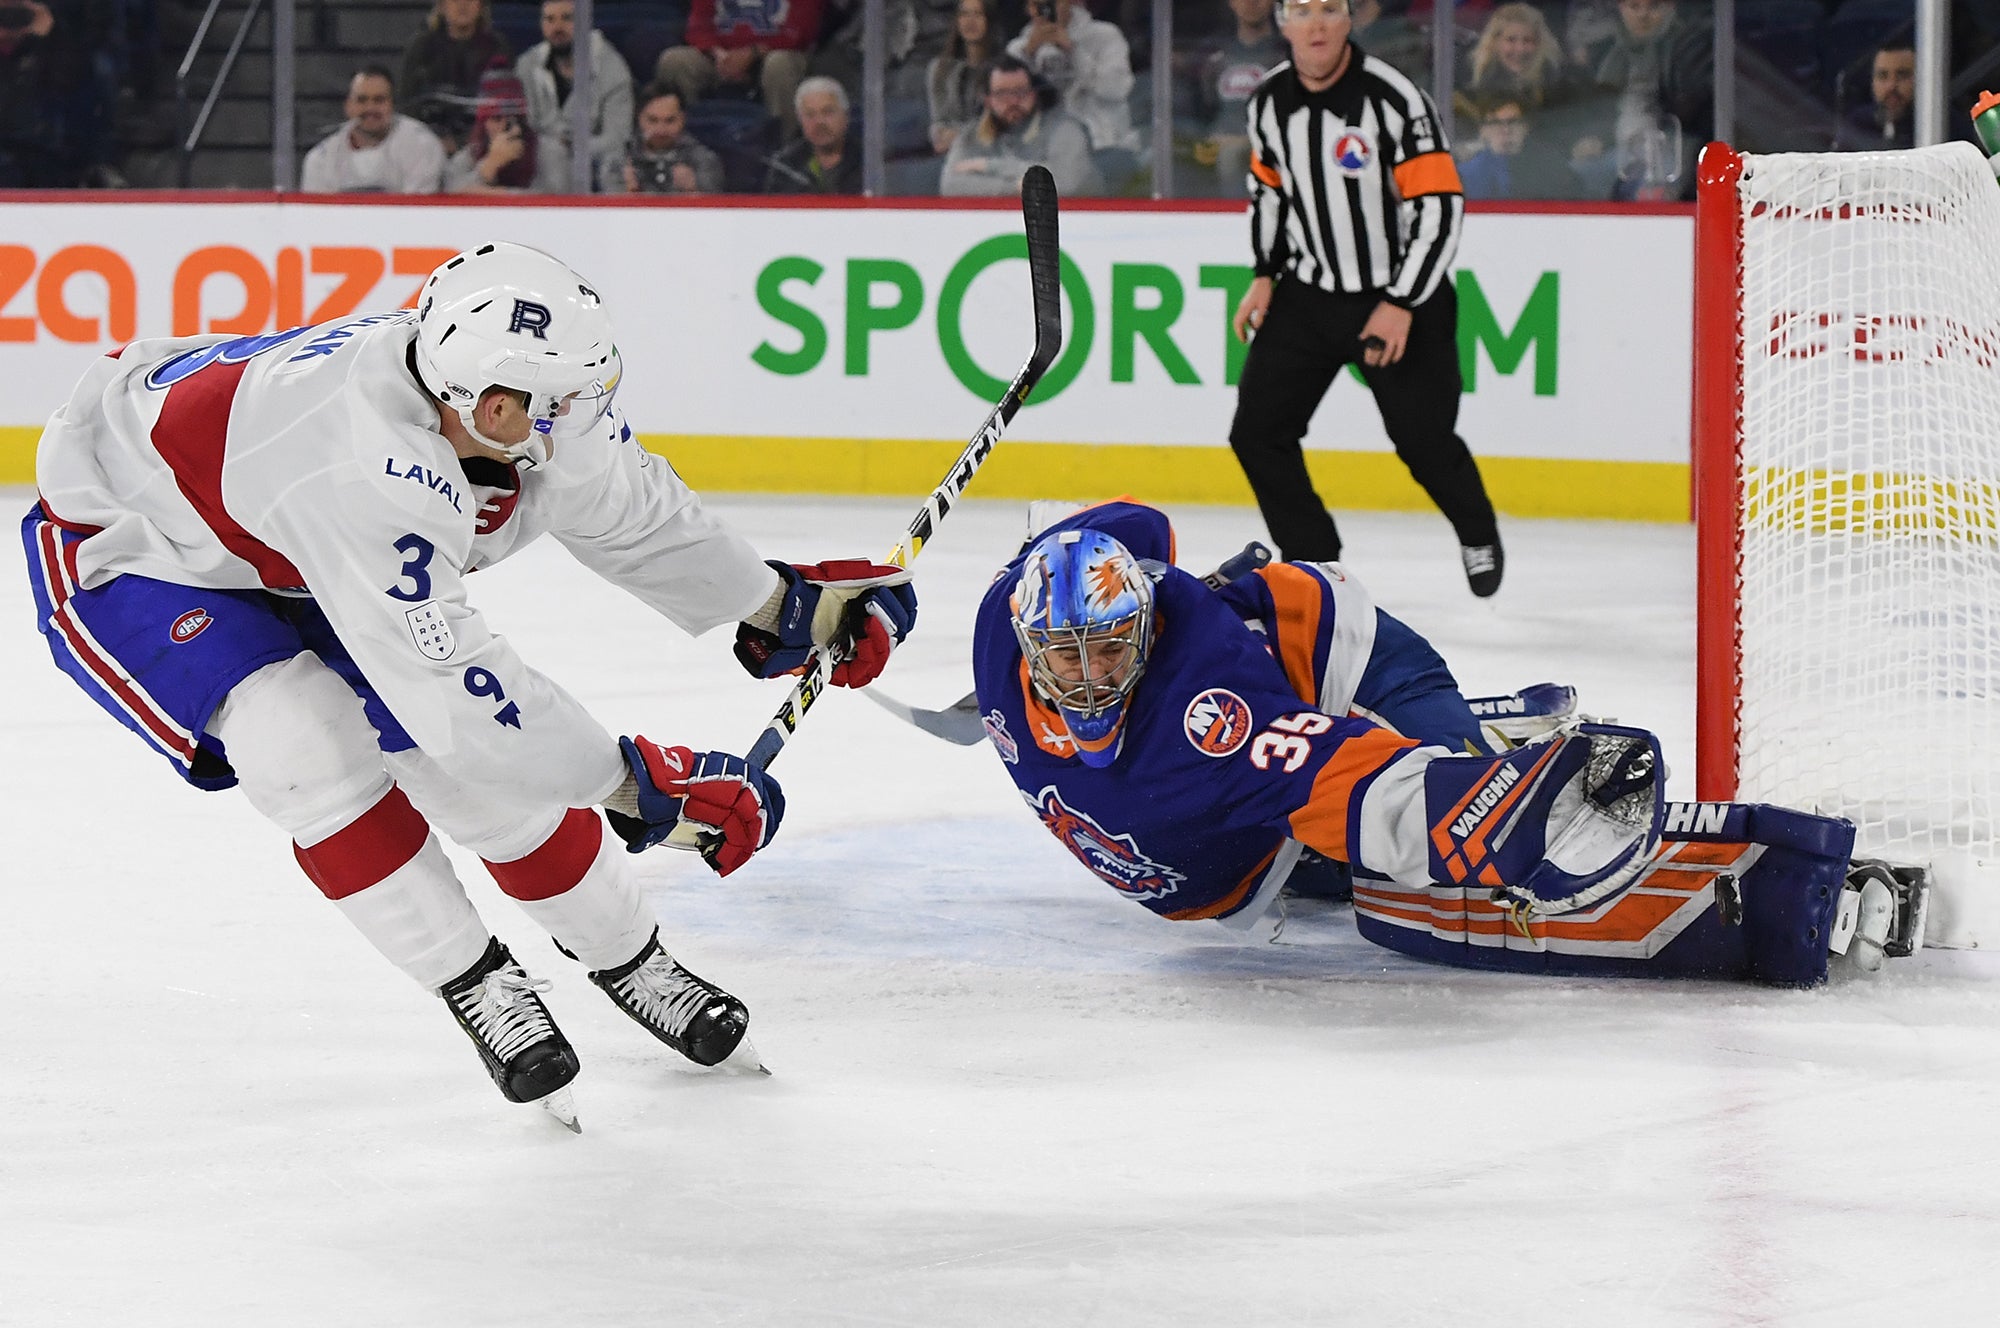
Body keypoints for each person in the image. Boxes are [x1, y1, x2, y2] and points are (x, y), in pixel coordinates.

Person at [22, 242, 919, 1125]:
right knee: (297, 742)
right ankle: (476, 980)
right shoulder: (360, 464)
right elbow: (463, 698)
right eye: (557, 404)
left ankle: (630, 958)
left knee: (472, 772)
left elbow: (633, 513)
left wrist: (777, 605)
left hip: (281, 529)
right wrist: (629, 779)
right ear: (490, 405)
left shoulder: (521, 397)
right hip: (142, 540)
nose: (579, 417)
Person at [968, 501, 1924, 985]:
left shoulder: (1209, 723)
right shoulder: (992, 628)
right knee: (1342, 874)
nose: (1090, 679)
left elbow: (1364, 793)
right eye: (1066, 656)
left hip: (1346, 668)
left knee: (1426, 885)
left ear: (1141, 636)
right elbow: (1141, 526)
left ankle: (1472, 746)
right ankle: (1492, 728)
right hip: (1249, 849)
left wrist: (1492, 820)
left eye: (1109, 651)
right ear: (1022, 646)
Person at [1229, 0, 1504, 597]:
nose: (1318, 23)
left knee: (1424, 442)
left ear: (1351, 18)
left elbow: (1439, 206)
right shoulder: (1270, 102)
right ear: (1283, 23)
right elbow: (1270, 192)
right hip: (1310, 293)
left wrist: (1401, 301)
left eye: (1331, 8)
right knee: (1256, 431)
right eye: (1302, 10)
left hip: (1403, 292)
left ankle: (1476, 528)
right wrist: (1263, 275)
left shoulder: (1393, 98)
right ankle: (1314, 561)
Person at [940, 54, 1103, 197]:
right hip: (998, 222)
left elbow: (1066, 184)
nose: (1013, 101)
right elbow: (950, 185)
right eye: (1002, 94)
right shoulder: (970, 136)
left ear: (1033, 95)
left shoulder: (1065, 129)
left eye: (1020, 92)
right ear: (988, 100)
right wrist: (1014, 189)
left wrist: (988, 166)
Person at [514, 0, 634, 192]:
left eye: (567, 18)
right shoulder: (527, 65)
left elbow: (616, 138)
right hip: (542, 162)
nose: (558, 27)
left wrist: (573, 147)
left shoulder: (613, 69)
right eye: (550, 20)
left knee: (613, 163)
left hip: (595, 162)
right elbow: (526, 126)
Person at [655, 0, 823, 136]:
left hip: (777, 54)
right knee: (674, 60)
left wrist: (753, 53)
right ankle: (688, 140)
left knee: (779, 64)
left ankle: (786, 147)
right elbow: (698, 26)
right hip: (722, 57)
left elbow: (801, 32)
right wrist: (718, 54)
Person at [1004, 0, 1137, 152]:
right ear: (1028, 8)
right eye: (1037, 5)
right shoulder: (1017, 51)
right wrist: (1028, 57)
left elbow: (1116, 89)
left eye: (1051, 3)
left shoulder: (1105, 36)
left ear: (1068, 2)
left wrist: (1074, 52)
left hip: (1104, 147)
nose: (1044, 11)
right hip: (1039, 149)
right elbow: (1008, 107)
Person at [299, 67, 448, 194]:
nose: (370, 108)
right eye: (362, 100)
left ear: (392, 105)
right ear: (348, 106)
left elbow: (418, 215)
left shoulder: (422, 146)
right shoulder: (321, 159)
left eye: (379, 100)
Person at [1191, 0, 1287, 195]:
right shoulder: (1212, 55)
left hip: (1270, 146)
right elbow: (1200, 111)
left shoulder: (1287, 54)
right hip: (1218, 145)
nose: (1251, 2)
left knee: (1232, 155)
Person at [398, 0, 513, 152]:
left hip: (485, 146)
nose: (462, 5)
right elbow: (407, 105)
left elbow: (505, 107)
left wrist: (462, 142)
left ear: (481, 6)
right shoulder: (421, 48)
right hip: (426, 147)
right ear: (442, 6)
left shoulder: (498, 48)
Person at [443, 70, 553, 192]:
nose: (503, 127)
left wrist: (491, 193)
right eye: (496, 118)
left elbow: (557, 202)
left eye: (512, 119)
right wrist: (491, 164)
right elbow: (451, 197)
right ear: (484, 123)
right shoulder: (468, 157)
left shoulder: (549, 152)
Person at [1457, 96, 1583, 200]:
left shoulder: (1550, 167)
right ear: (1483, 129)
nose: (1505, 130)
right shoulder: (1465, 174)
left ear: (1525, 127)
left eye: (1513, 122)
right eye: (1495, 123)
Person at [764, 75, 863, 193]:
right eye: (810, 115)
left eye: (827, 112)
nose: (819, 122)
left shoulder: (867, 160)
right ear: (800, 121)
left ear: (846, 116)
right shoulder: (785, 166)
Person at [623, 83, 725, 193]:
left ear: (682, 119)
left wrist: (693, 190)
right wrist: (627, 194)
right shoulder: (619, 161)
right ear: (639, 118)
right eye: (653, 120)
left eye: (670, 121)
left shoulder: (705, 161)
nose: (661, 130)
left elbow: (718, 208)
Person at [927, 0, 998, 155]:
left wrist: (961, 136)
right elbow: (938, 123)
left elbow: (996, 125)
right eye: (964, 14)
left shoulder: (1000, 70)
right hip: (949, 154)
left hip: (990, 152)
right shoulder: (940, 69)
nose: (970, 21)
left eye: (977, 14)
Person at [1835, 42, 1914, 152]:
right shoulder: (1858, 125)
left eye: (1902, 75)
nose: (1891, 86)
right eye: (1883, 76)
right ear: (1872, 81)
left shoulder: (1933, 127)